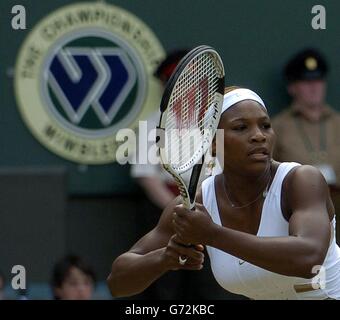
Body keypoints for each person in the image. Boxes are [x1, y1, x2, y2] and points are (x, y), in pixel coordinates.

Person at [108, 86, 340, 300]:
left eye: (265, 125)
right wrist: (164, 259)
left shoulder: (301, 180)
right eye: (241, 127)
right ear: (212, 143)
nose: (259, 135)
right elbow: (118, 283)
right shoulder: (197, 202)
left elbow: (309, 258)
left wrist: (213, 235)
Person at [129, 49, 226, 300]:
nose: (187, 91)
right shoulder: (152, 124)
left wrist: (199, 207)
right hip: (163, 213)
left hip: (208, 213)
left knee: (207, 283)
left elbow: (222, 173)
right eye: (179, 84)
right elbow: (146, 176)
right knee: (165, 284)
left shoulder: (213, 124)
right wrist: (176, 209)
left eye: (193, 83)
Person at [272, 48, 340, 188]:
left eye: (318, 80)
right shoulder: (277, 127)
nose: (314, 87)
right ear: (292, 87)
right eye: (306, 82)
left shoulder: (337, 123)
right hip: (295, 204)